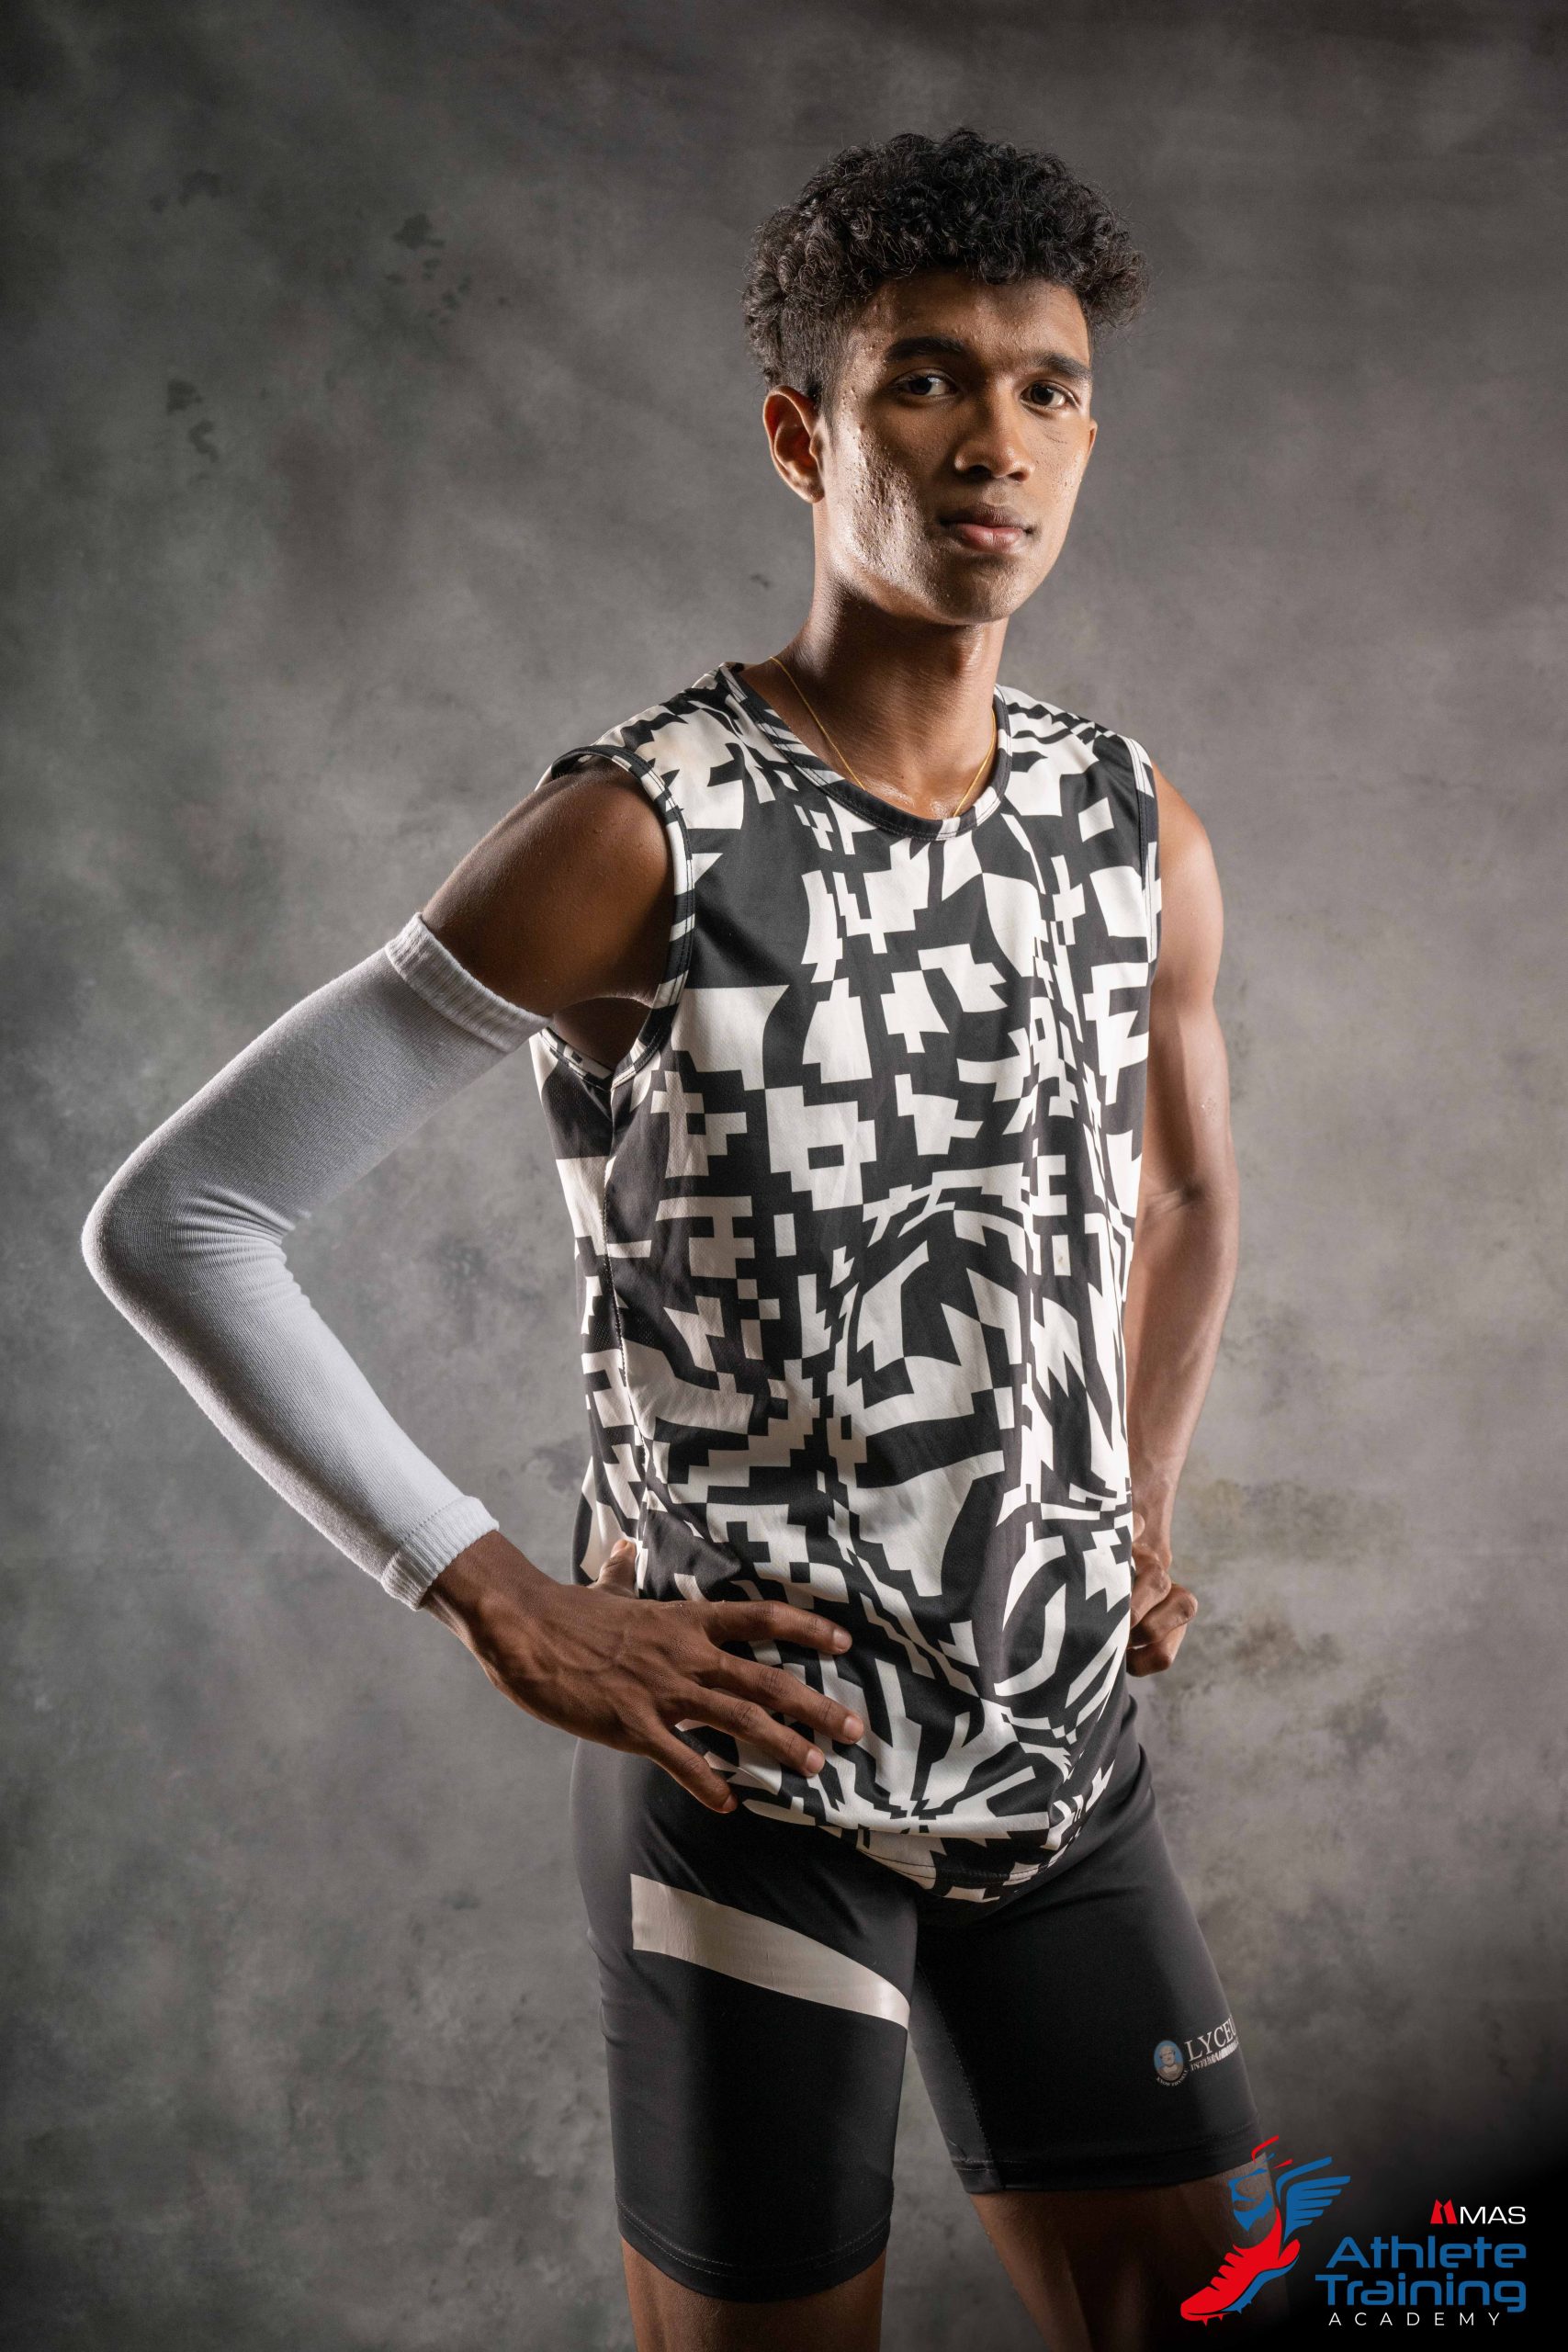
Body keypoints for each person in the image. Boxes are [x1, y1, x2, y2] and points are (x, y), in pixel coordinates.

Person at [83, 129, 1284, 2351]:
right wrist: (489, 1588)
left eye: (1043, 386)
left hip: (1054, 1762)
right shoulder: (641, 827)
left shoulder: (1129, 825)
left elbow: (1185, 1189)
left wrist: (1126, 1500)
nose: (993, 440)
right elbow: (183, 1213)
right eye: (924, 379)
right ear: (802, 434)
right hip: (756, 1778)